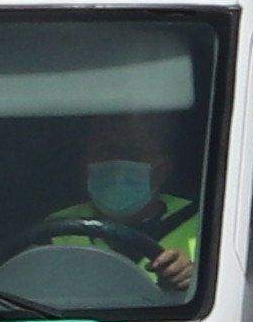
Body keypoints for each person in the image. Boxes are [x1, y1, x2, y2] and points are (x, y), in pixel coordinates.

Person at [35, 108, 204, 294]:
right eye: (105, 151)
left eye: (130, 152)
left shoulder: (202, 226)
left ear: (161, 170)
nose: (116, 163)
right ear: (86, 164)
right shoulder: (54, 230)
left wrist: (193, 280)